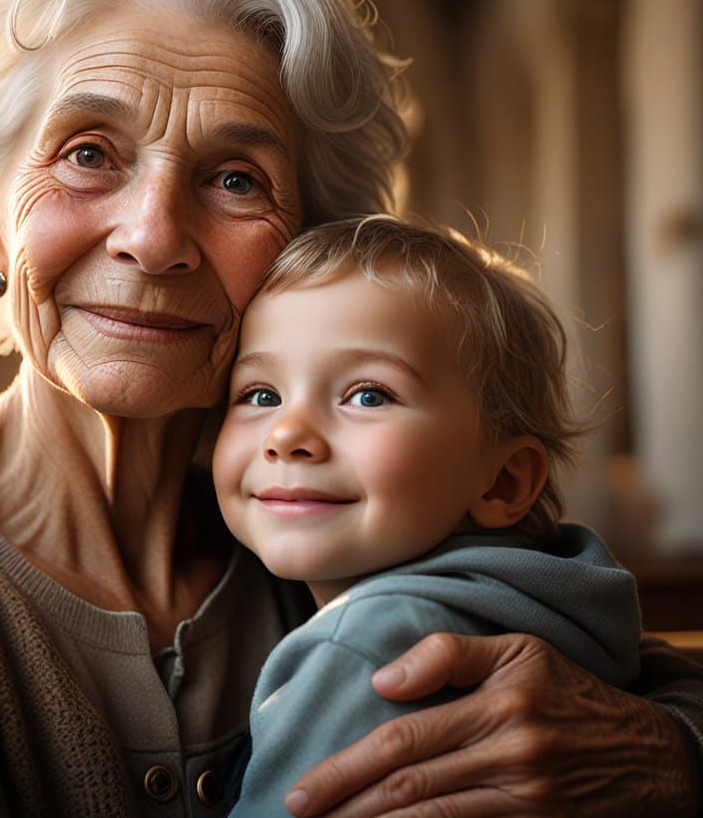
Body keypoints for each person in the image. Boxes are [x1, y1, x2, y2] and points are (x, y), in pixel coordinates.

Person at [0, 0, 703, 817]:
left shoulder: (341, 513)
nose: (151, 234)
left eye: (236, 178)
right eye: (88, 154)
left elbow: (635, 676)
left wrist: (660, 753)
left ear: (305, 255)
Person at [212, 214, 643, 815]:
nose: (287, 435)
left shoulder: (363, 645)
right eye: (261, 395)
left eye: (368, 394)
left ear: (502, 480)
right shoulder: (579, 605)